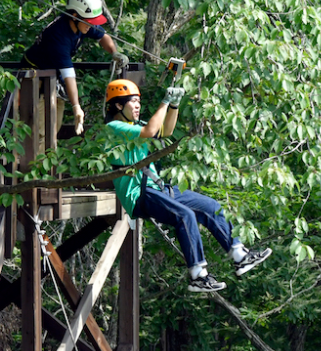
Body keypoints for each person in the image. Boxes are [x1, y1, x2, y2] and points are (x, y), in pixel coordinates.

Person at [105, 79, 272, 293]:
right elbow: (150, 131)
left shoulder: (133, 126)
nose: (137, 106)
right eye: (133, 102)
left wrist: (174, 105)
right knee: (185, 215)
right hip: (138, 194)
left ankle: (240, 256)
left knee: (210, 206)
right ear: (119, 106)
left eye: (139, 102)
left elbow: (165, 131)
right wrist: (165, 102)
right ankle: (198, 275)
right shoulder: (114, 128)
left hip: (157, 188)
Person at [22, 0, 128, 135]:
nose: (92, 25)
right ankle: (35, 158)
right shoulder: (59, 36)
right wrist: (76, 107)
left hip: (53, 80)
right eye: (89, 22)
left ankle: (49, 157)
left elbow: (103, 36)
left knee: (53, 129)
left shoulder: (83, 24)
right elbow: (69, 76)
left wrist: (114, 53)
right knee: (40, 131)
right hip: (35, 80)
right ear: (74, 16)